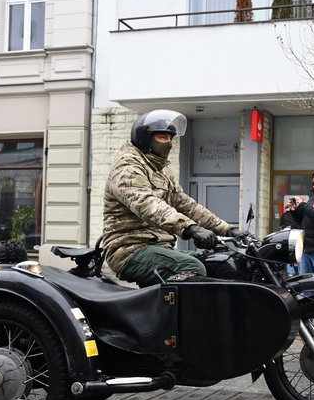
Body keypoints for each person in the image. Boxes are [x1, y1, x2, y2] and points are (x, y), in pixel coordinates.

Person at [102, 110, 243, 287]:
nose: (168, 143)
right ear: (145, 139)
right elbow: (149, 205)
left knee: (219, 262)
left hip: (158, 247)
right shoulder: (127, 168)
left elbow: (185, 204)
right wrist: (190, 228)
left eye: (171, 138)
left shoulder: (158, 169)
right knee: (190, 267)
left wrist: (227, 229)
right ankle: (175, 315)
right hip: (129, 250)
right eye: (162, 137)